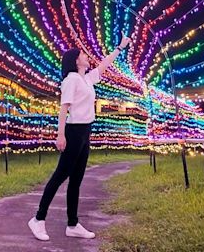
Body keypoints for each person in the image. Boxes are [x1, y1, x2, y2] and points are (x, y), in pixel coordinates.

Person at [28, 32, 132, 241]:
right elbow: (63, 108)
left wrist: (120, 47)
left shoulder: (86, 79)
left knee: (76, 180)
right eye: (83, 55)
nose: (87, 57)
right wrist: (60, 135)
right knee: (60, 175)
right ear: (76, 60)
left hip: (86, 131)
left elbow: (104, 65)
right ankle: (38, 219)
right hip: (73, 132)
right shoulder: (71, 80)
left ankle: (73, 224)